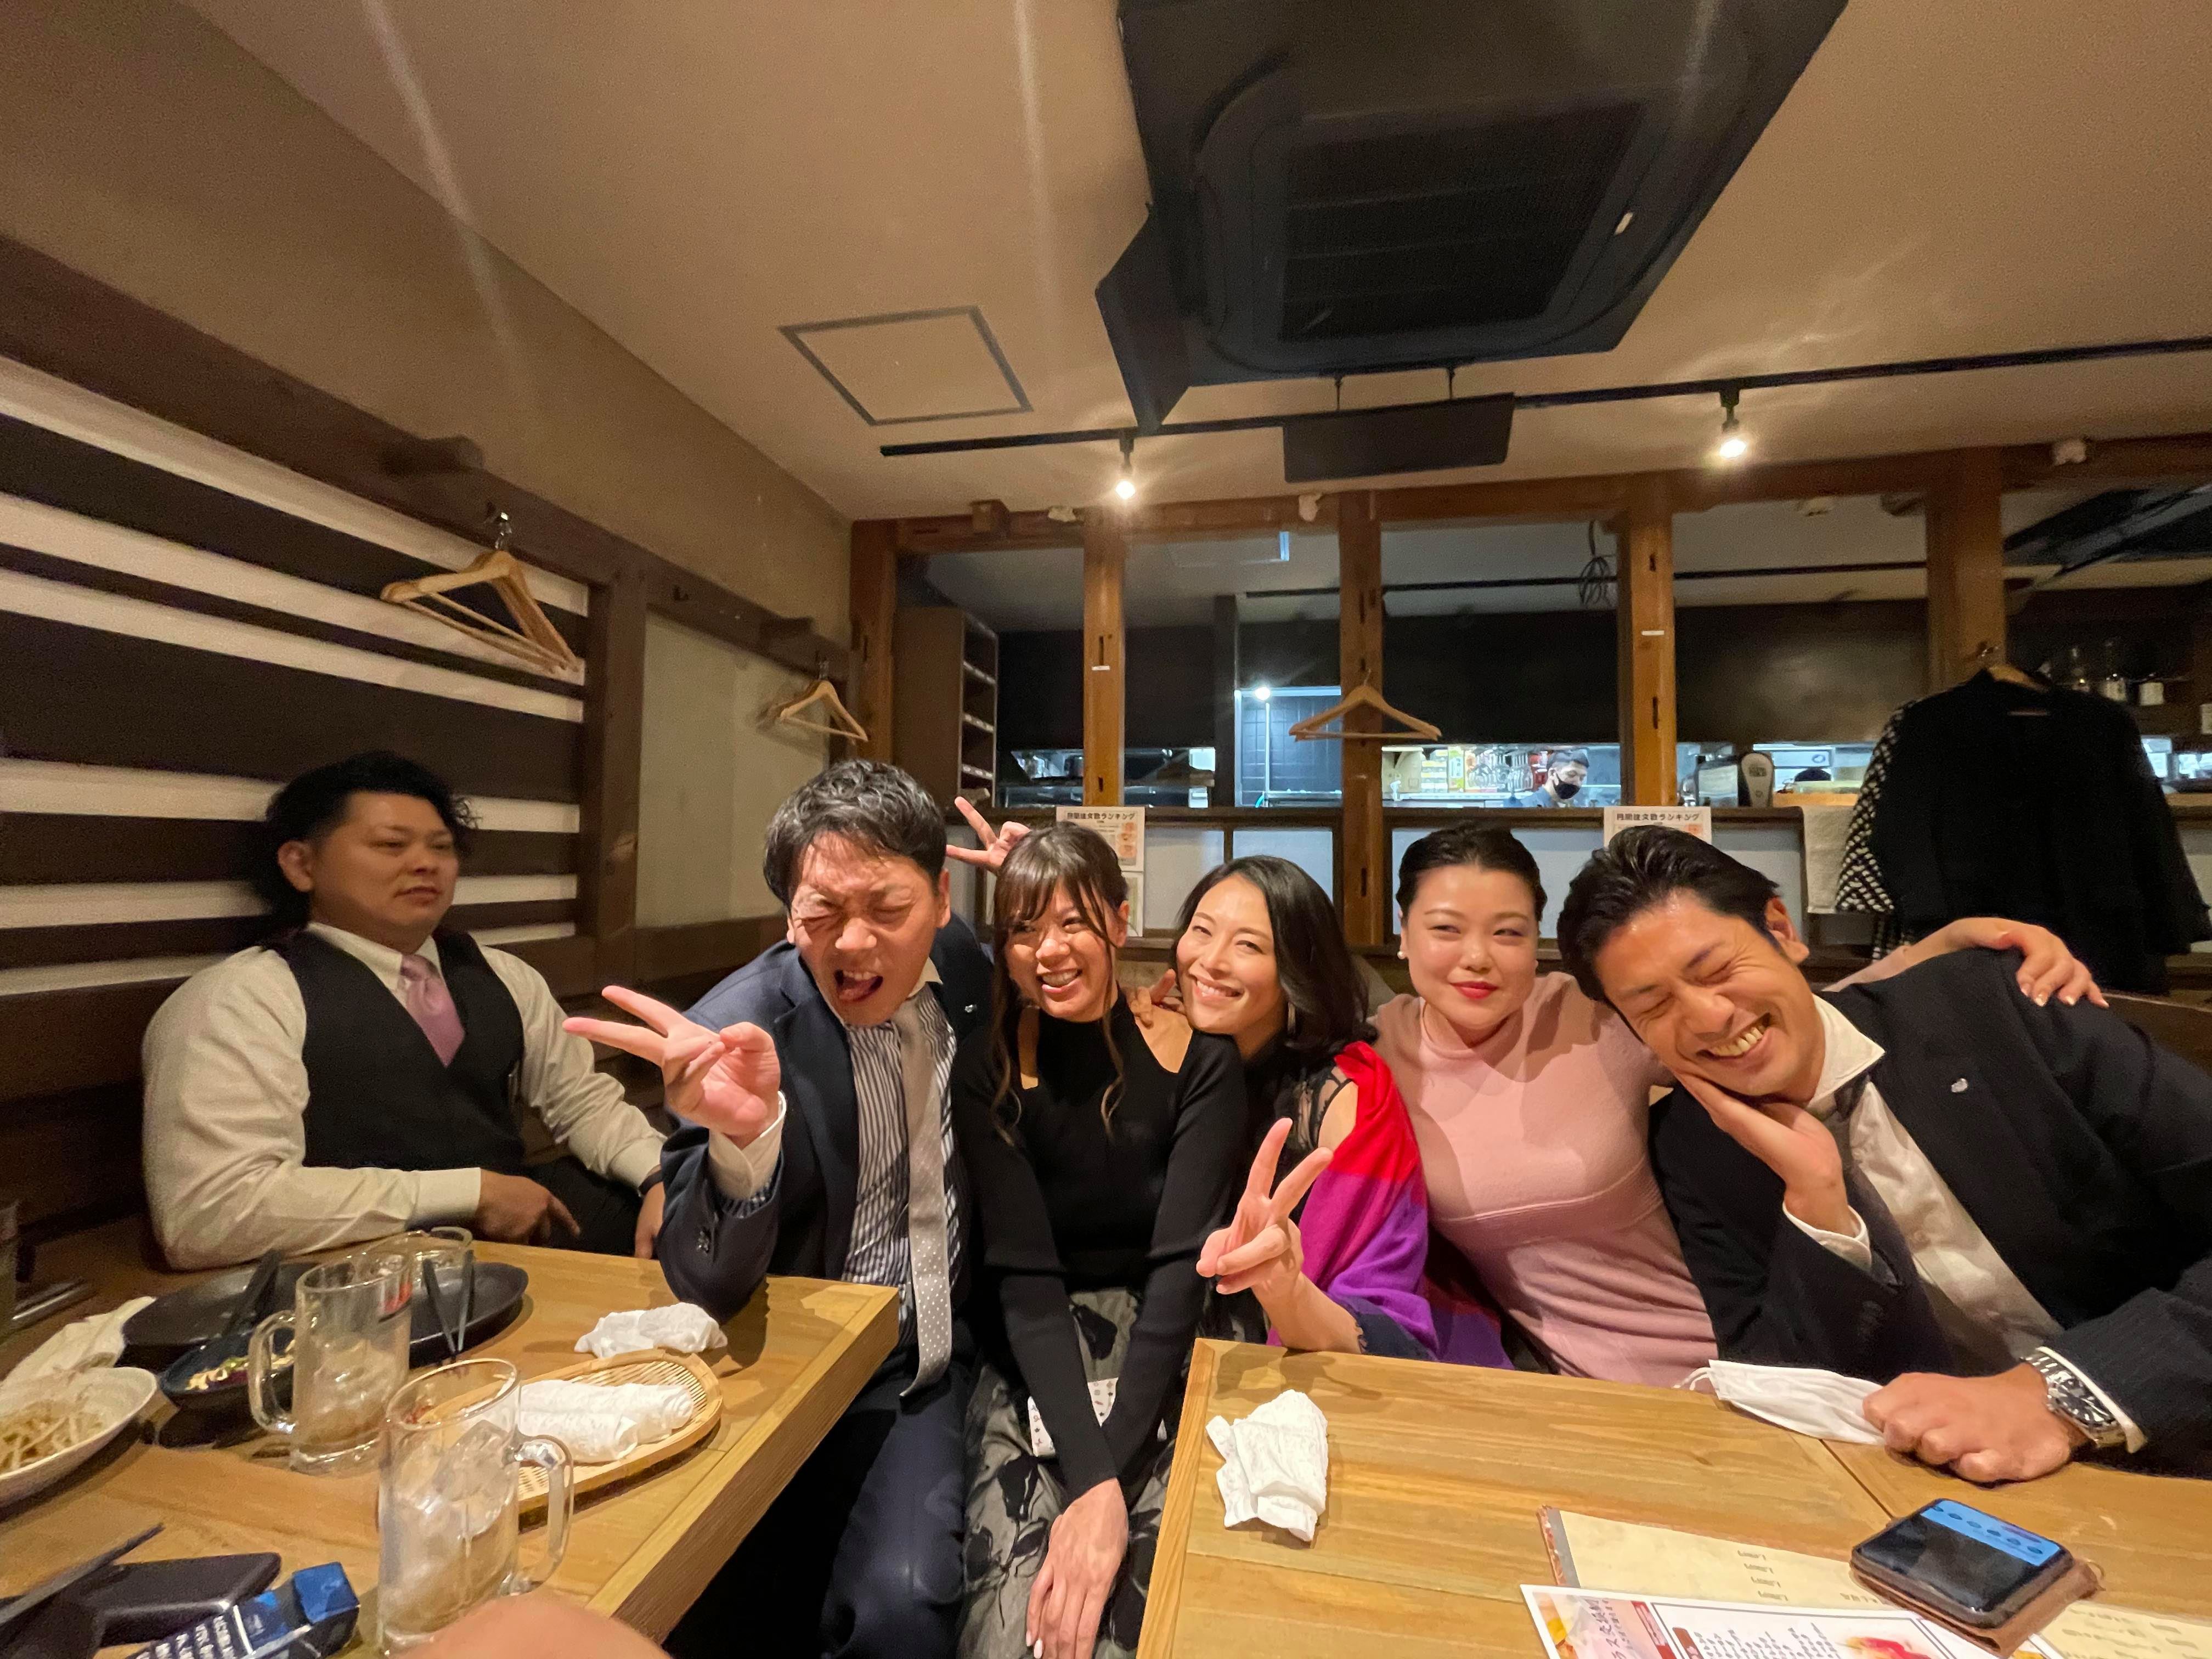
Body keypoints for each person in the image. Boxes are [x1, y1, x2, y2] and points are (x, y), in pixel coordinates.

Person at [1559, 827, 2212, 1481]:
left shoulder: (1996, 1008)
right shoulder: (1694, 1146)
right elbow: (1779, 1387)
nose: (1707, 1017)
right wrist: (1818, 1207)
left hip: (2176, 1435)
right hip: (1946, 1482)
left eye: (1717, 971)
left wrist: (2060, 1395)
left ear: (1781, 930)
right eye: (1654, 1005)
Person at [1367, 822, 2104, 1385]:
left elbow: (1771, 1017)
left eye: (1508, 933)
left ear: (1535, 943)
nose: (1477, 957)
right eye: (1446, 930)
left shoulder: (1597, 1020)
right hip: (1571, 1388)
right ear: (1403, 935)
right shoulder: (1375, 1056)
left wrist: (1942, 948)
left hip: (1742, 1348)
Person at [565, 760, 989, 1659]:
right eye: (821, 913)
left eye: (887, 906)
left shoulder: (962, 969)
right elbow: (704, 1278)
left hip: (921, 1363)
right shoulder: (737, 1032)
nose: (856, 942)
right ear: (788, 917)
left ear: (942, 899)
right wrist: (746, 1140)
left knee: (901, 1609)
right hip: (779, 1370)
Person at [141, 751, 667, 1269]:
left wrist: (662, 1177)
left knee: (690, 1214)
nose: (425, 864)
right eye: (391, 845)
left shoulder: (504, 976)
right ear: (301, 865)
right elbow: (208, 1214)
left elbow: (582, 1103)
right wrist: (468, 1193)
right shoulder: (243, 999)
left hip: (514, 1242)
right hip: (353, 1272)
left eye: (441, 847)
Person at [952, 826, 1245, 1659]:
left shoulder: (1200, 1059)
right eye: (1023, 930)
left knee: (1151, 1617)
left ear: (1120, 921)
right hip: (1037, 1348)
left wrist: (1100, 1485)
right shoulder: (988, 1068)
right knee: (1016, 1625)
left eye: (1073, 922)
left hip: (1172, 1336)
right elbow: (1026, 1284)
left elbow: (1181, 1268)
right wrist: (1096, 1480)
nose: (1048, 950)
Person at [1150, 857, 1500, 1364]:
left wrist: (1285, 1288)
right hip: (1160, 1344)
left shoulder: (1345, 1093)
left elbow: (1385, 1325)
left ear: (1294, 969)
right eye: (1202, 931)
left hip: (1306, 1360)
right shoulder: (1164, 1047)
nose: (1212, 961)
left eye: (1249, 945)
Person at [1511, 748, 1589, 808]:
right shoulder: (1527, 806)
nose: (1577, 782)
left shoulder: (1577, 806)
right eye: (1571, 775)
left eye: (1582, 778)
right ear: (1552, 773)